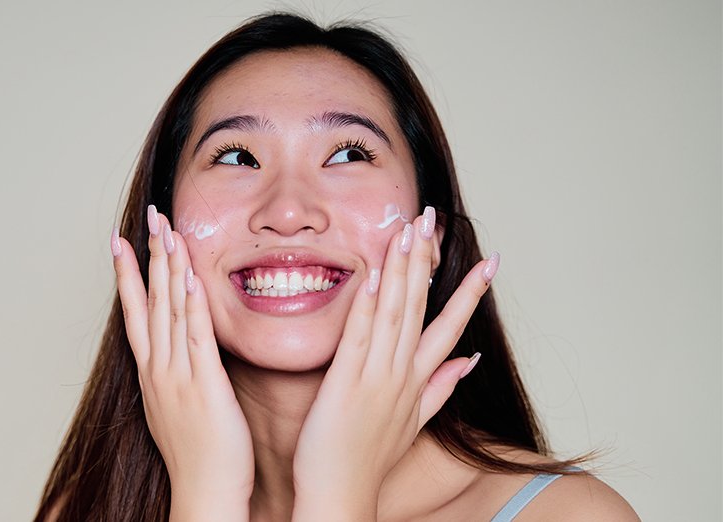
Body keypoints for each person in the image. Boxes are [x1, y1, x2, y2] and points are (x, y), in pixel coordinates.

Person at [34, 13, 638, 521]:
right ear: (156, 227)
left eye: (349, 153)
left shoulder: (566, 515)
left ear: (433, 232)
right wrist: (207, 497)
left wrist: (336, 491)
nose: (289, 211)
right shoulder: (83, 510)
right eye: (237, 156)